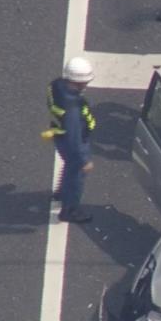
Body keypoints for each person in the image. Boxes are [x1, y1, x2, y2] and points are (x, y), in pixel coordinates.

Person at [45, 57, 96, 223]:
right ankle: (70, 210)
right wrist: (84, 160)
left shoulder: (56, 86)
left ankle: (60, 193)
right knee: (76, 176)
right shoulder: (73, 106)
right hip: (74, 142)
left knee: (69, 167)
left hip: (59, 135)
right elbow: (74, 138)